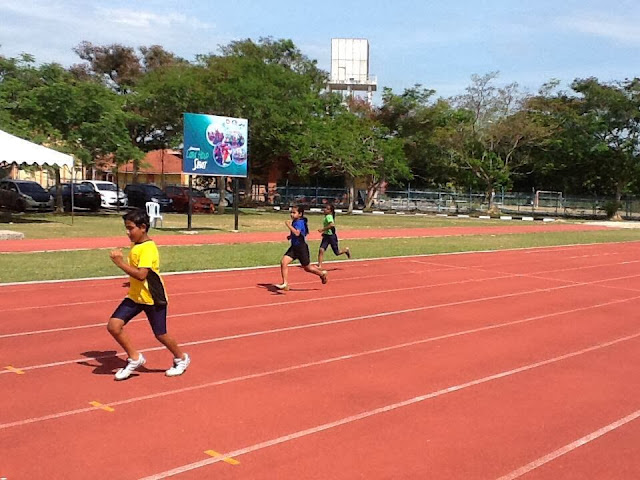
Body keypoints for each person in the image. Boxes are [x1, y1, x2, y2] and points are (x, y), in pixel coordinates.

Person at [107, 208, 190, 380]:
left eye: (130, 228)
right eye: (126, 228)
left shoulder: (148, 248)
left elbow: (141, 274)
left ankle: (181, 358)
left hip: (153, 298)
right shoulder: (136, 245)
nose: (127, 232)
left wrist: (119, 263)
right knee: (114, 326)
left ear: (143, 227)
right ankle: (135, 358)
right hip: (135, 296)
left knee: (160, 334)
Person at [276, 205, 328, 291]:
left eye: (294, 213)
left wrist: (288, 225)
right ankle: (285, 283)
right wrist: (290, 236)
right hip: (294, 247)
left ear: (300, 214)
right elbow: (297, 234)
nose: (291, 214)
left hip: (301, 248)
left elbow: (297, 233)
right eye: (291, 212)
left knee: (307, 268)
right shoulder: (295, 221)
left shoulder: (300, 222)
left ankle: (322, 274)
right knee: (283, 262)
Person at [317, 204, 351, 269]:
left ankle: (346, 250)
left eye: (327, 209)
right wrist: (324, 233)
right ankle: (319, 265)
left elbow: (332, 225)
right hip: (326, 236)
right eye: (325, 208)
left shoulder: (329, 216)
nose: (325, 209)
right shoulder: (326, 216)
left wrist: (322, 229)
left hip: (331, 236)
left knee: (337, 253)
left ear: (330, 211)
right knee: (321, 250)